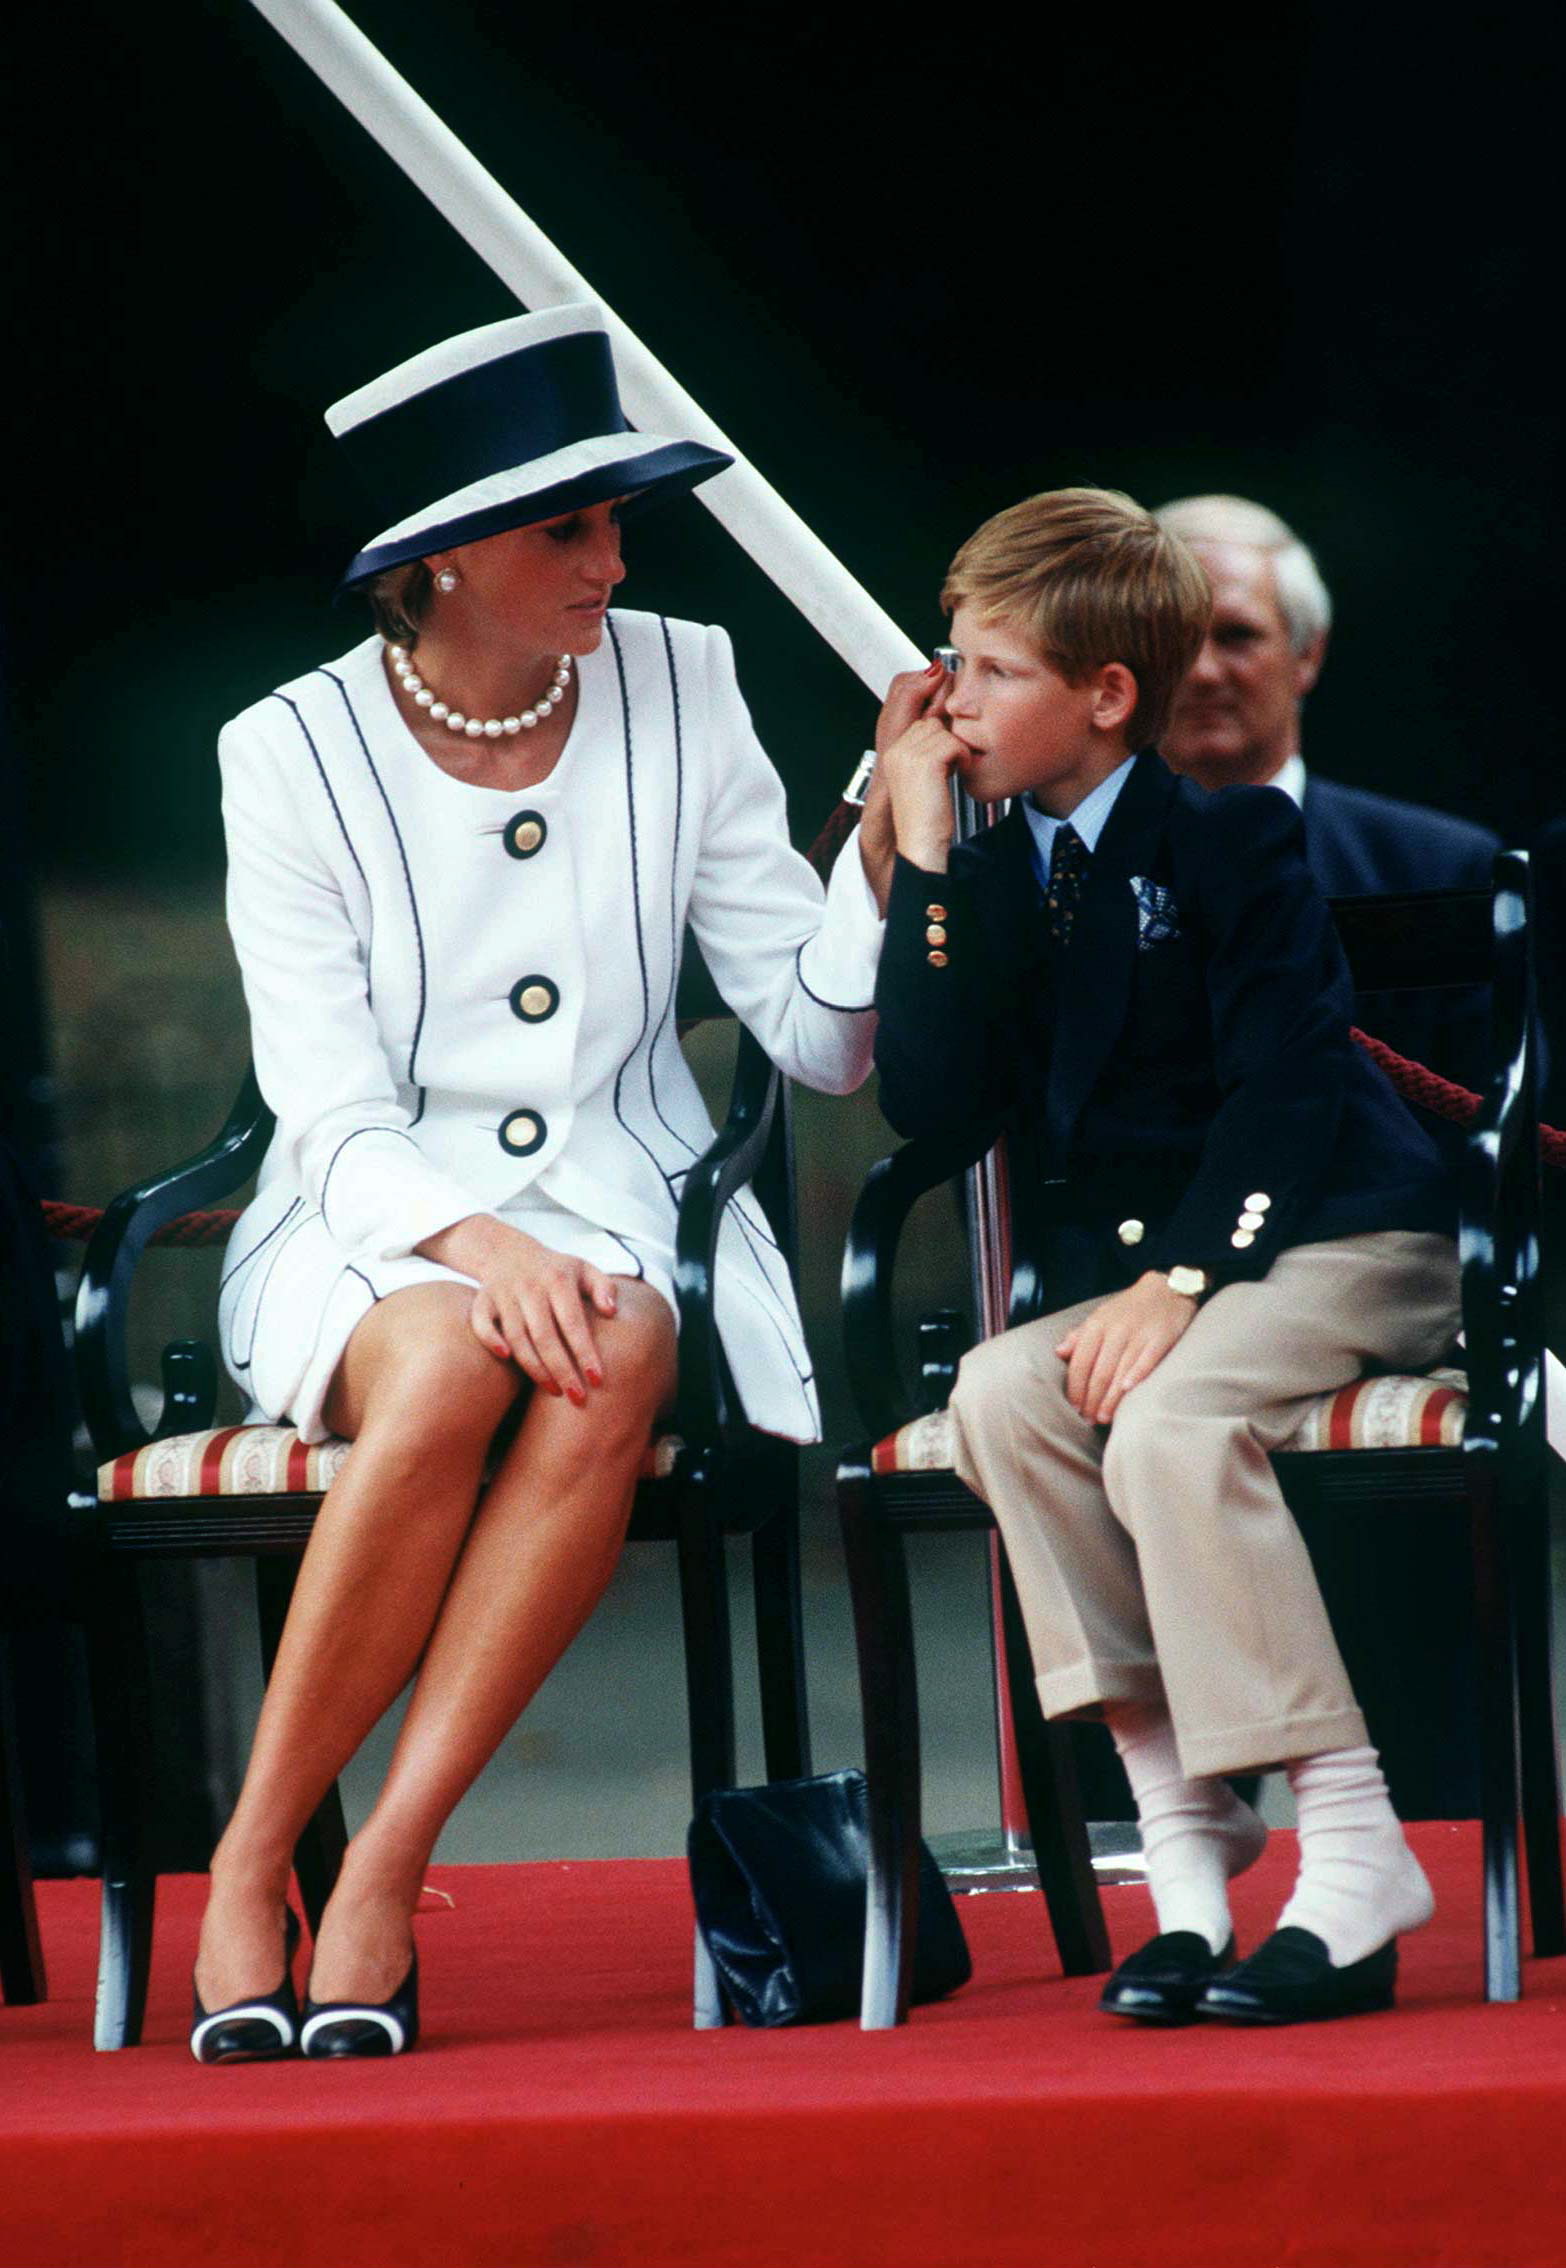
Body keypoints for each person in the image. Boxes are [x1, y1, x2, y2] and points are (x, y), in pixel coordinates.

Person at [192, 302, 920, 2062]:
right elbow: (326, 1103)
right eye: (566, 527)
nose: (612, 559)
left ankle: (379, 1870)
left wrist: (888, 847)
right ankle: (248, 1862)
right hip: (370, 1218)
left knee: (606, 1338)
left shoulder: (689, 674)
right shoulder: (280, 748)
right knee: (448, 1359)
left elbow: (817, 1044)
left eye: (614, 522)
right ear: (438, 561)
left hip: (626, 1204)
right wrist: (476, 1241)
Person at [864, 487, 1460, 2025]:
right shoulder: (1001, 870)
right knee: (1003, 1400)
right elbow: (932, 1103)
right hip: (1191, 1278)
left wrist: (1174, 1280)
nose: (949, 695)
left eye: (988, 670)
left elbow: (1285, 1091)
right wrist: (923, 865)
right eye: (950, 659)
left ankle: (1349, 1848)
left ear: (1103, 695)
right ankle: (1185, 1846)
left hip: (1344, 1237)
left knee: (1169, 1423)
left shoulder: (1236, 837)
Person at [1153, 493, 1499, 1094]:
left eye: (1236, 635)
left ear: (1307, 653)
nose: (1203, 672)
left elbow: (1492, 1134)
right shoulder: (1060, 868)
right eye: (1172, 638)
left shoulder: (1439, 870)